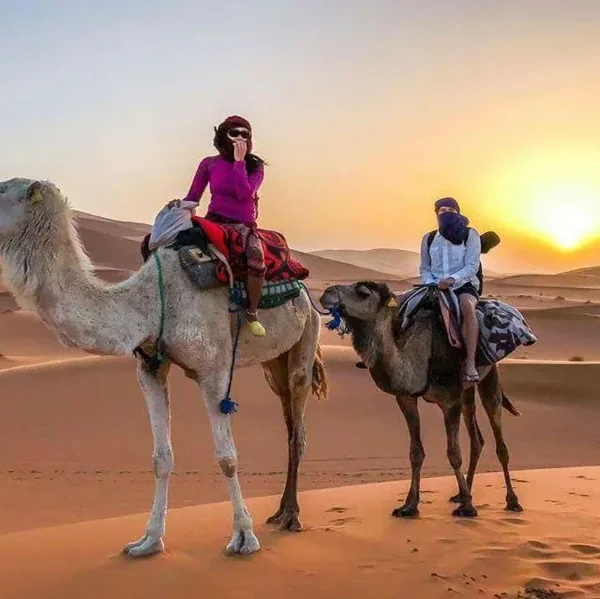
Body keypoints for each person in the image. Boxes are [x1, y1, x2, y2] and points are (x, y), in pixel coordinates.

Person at [168, 115, 267, 337]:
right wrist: (178, 206)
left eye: (245, 134)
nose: (240, 138)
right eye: (235, 133)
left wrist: (240, 162)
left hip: (243, 226)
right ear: (224, 135)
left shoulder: (255, 166)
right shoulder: (209, 164)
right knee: (177, 246)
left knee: (256, 258)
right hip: (214, 219)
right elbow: (194, 195)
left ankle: (252, 313)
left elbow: (244, 193)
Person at [420, 197, 481, 383]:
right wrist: (431, 282)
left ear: (458, 212)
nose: (446, 213)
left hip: (464, 285)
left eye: (451, 210)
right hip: (434, 286)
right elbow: (424, 267)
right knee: (400, 304)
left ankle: (470, 362)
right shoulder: (429, 238)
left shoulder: (470, 235)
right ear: (437, 214)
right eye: (442, 210)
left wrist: (452, 280)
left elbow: (472, 265)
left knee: (467, 307)